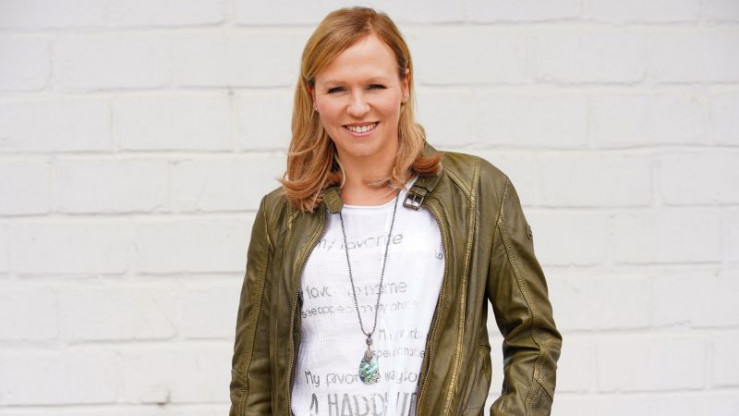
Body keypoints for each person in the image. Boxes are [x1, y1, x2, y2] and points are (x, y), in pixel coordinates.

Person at [229, 6, 561, 416]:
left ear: (404, 85)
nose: (358, 107)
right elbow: (253, 372)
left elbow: (534, 337)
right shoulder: (281, 214)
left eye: (374, 86)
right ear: (313, 96)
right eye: (337, 90)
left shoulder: (477, 192)